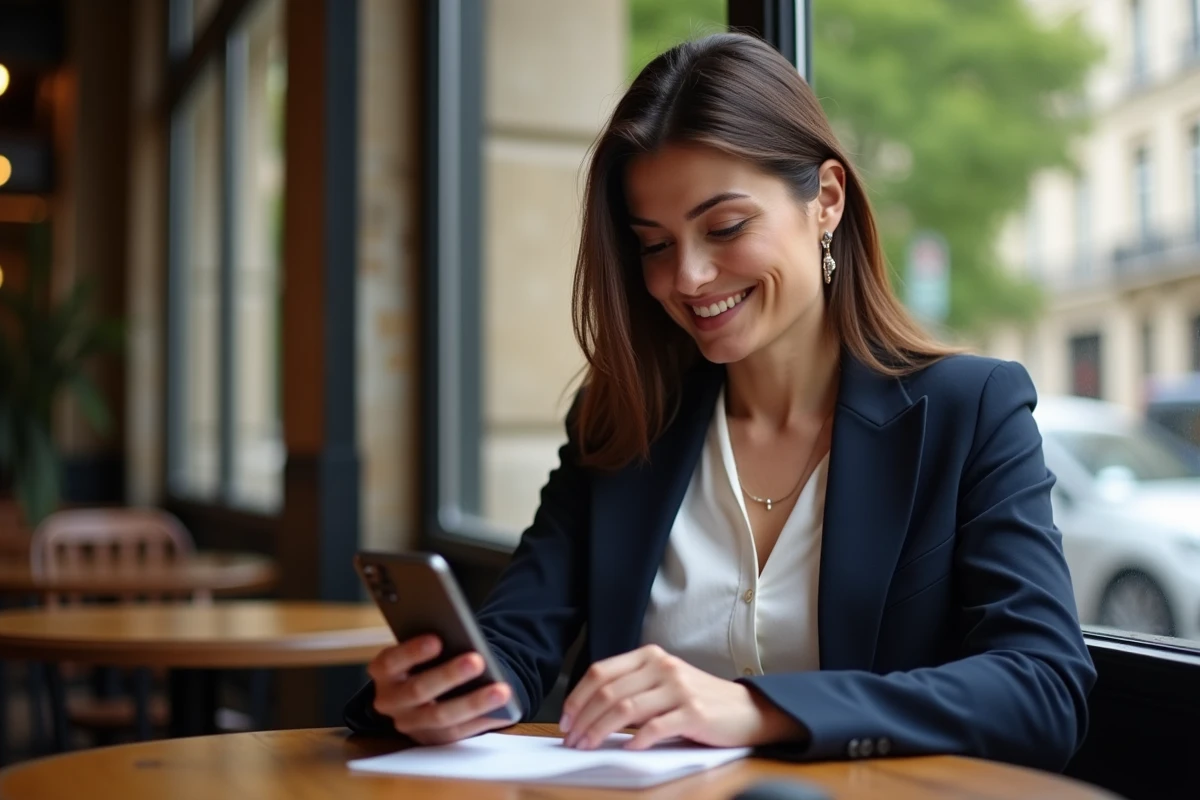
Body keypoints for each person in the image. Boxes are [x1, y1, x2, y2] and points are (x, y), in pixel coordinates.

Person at [344, 32, 1095, 771]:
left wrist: (758, 709)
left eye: (725, 227)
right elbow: (515, 641)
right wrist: (432, 695)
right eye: (655, 244)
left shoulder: (970, 411)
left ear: (826, 200)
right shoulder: (626, 421)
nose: (690, 278)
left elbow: (1043, 688)